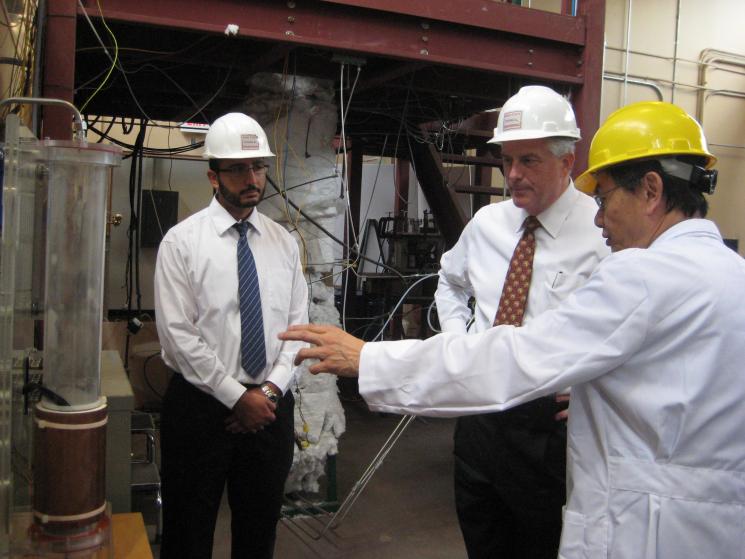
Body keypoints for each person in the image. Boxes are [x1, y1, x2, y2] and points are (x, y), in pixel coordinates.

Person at [280, 101, 745, 558]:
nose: (600, 216)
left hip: (642, 519)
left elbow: (517, 357)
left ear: (650, 190)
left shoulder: (641, 274)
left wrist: (370, 359)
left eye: (604, 199)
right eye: (507, 160)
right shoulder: (730, 273)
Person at [435, 85, 608, 558]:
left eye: (528, 161)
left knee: (542, 543)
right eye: (506, 161)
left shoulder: (602, 233)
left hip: (549, 428)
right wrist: (458, 341)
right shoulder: (488, 225)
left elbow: (634, 326)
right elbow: (449, 282)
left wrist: (600, 385)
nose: (513, 175)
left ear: (567, 160)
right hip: (479, 417)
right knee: (483, 537)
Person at [154, 112, 308, 559]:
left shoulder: (284, 242)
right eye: (238, 168)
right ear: (212, 175)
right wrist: (236, 397)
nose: (252, 178)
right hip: (201, 409)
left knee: (259, 531)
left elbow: (295, 331)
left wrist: (269, 393)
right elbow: (178, 337)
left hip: (270, 407)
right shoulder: (182, 244)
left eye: (258, 166)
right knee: (188, 531)